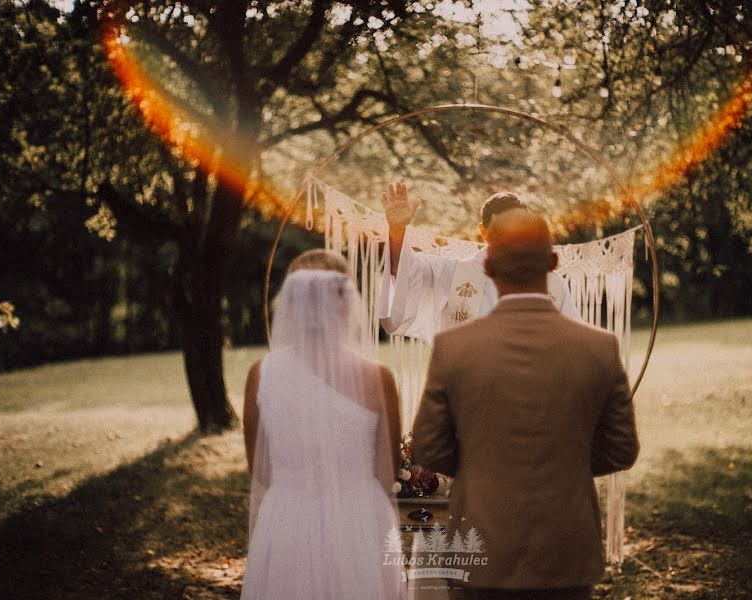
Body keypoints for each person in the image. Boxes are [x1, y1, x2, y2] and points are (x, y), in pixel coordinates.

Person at [412, 211, 639, 600]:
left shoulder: (454, 348)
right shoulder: (600, 347)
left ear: (487, 265)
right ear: (552, 263)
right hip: (565, 547)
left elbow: (428, 448)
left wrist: (482, 465)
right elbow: (621, 448)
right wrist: (564, 462)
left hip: (482, 545)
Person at [240, 249, 406, 599]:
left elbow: (261, 467)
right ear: (346, 302)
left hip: (287, 522)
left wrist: (302, 489)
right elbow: (386, 474)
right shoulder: (377, 378)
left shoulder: (261, 375)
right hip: (359, 524)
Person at [379, 182, 579, 344]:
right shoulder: (455, 273)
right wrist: (397, 231)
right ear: (483, 232)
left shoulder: (552, 284)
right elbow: (404, 270)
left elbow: (573, 344)